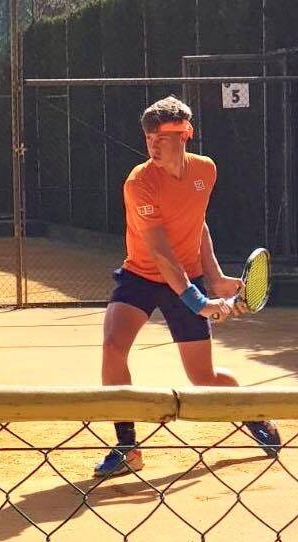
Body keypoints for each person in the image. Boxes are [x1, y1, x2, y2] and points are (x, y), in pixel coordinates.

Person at [94, 96, 280, 478]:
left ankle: (254, 415)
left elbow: (198, 224)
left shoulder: (205, 171)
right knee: (113, 347)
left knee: (203, 377)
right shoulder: (139, 182)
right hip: (141, 276)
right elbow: (160, 251)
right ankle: (128, 447)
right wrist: (198, 300)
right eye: (148, 138)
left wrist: (215, 277)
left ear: (185, 134)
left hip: (189, 277)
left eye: (160, 138)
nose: (152, 145)